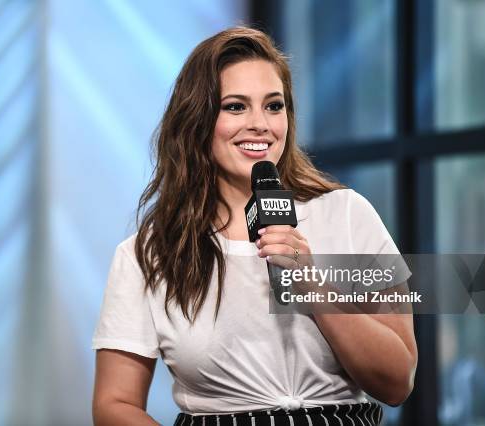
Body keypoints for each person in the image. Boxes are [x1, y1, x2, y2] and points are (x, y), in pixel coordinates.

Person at [92, 26, 417, 426]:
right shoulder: (148, 253)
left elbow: (397, 382)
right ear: (197, 120)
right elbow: (114, 404)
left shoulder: (347, 214)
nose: (260, 124)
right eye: (235, 106)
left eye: (274, 106)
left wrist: (313, 284)